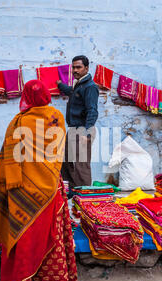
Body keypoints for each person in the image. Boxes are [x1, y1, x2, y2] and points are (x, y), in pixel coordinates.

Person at [0, 80, 77, 281]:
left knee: (26, 234)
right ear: (47, 94)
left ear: (26, 96)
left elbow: (8, 156)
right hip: (50, 188)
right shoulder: (56, 117)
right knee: (50, 234)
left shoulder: (20, 121)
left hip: (24, 191)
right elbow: (58, 151)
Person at [56, 55, 99, 193]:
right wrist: (59, 85)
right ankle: (72, 191)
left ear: (86, 68)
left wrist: (86, 133)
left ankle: (85, 195)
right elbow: (71, 92)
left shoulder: (90, 87)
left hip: (83, 129)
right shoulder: (78, 84)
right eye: (73, 67)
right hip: (73, 129)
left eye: (78, 67)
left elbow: (92, 111)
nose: (75, 70)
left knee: (81, 164)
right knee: (66, 160)